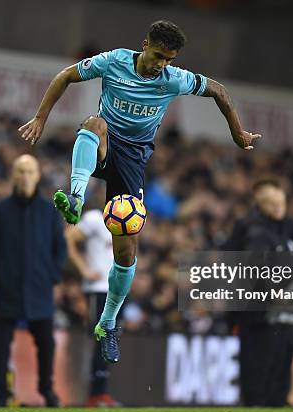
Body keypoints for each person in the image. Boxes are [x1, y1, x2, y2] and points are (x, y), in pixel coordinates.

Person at [19, 20, 261, 363]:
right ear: (145, 44)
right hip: (104, 145)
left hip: (132, 161)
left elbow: (219, 91)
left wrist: (238, 133)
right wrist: (41, 118)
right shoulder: (114, 61)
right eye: (159, 55)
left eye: (169, 59)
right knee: (94, 124)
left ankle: (108, 322)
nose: (162, 64)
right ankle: (75, 195)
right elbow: (65, 77)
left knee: (126, 250)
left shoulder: (174, 79)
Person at [0, 154, 67, 407]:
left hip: (39, 290)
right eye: (20, 171)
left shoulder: (49, 211)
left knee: (46, 343)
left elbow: (59, 248)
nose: (25, 176)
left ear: (38, 175)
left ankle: (46, 390)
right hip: (8, 290)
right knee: (0, 344)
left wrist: (52, 276)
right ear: (13, 176)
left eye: (30, 171)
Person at [224, 178, 293, 407]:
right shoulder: (250, 227)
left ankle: (277, 405)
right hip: (257, 313)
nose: (278, 208)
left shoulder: (292, 227)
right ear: (259, 202)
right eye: (272, 203)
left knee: (281, 371)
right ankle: (256, 407)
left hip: (286, 312)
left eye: (281, 203)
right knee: (257, 372)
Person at [65, 207, 120, 407]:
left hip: (116, 290)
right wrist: (84, 270)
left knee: (109, 343)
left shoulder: (125, 217)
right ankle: (94, 394)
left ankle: (101, 392)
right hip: (98, 289)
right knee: (99, 340)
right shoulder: (95, 217)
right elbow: (69, 238)